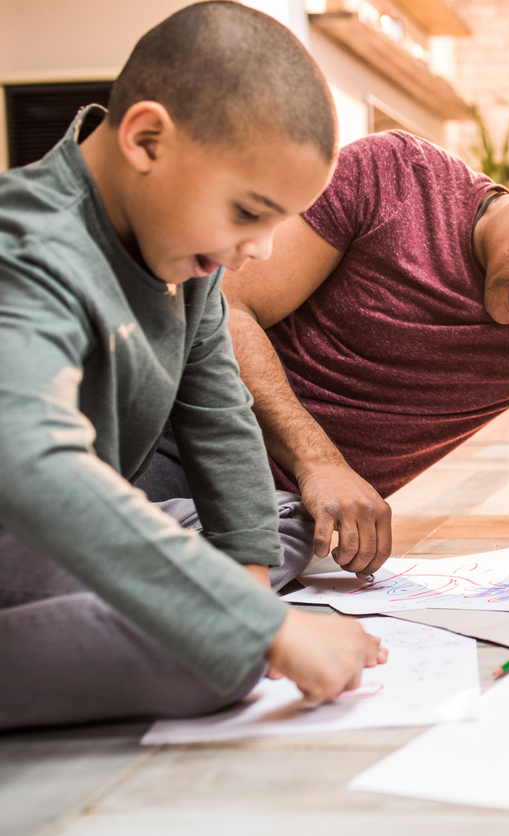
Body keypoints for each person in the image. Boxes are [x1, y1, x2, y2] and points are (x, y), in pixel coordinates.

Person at [0, 2, 385, 730]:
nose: (262, 252)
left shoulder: (187, 254)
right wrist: (258, 626)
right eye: (249, 213)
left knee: (277, 520)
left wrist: (245, 584)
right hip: (21, 514)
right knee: (220, 654)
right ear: (147, 139)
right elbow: (26, 460)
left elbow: (220, 416)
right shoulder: (25, 248)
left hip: (58, 527)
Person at [139, 135, 509, 592]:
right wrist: (318, 462)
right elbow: (227, 311)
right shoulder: (393, 175)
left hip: (289, 524)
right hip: (171, 447)